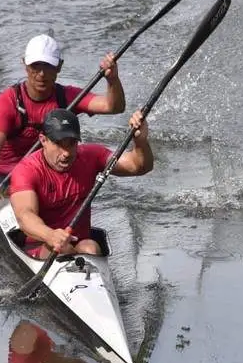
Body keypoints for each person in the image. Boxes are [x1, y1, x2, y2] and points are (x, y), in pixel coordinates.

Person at [0, 34, 125, 206]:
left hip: (47, 175)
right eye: (35, 66)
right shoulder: (9, 101)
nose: (41, 74)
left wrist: (112, 79)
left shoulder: (68, 97)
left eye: (48, 66)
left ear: (59, 67)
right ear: (25, 64)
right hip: (6, 177)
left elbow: (113, 106)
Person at [8, 107, 153, 259]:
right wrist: (50, 235)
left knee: (91, 247)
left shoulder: (91, 156)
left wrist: (140, 141)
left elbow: (139, 167)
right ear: (43, 140)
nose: (66, 153)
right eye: (59, 144)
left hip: (80, 243)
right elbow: (25, 216)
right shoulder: (26, 170)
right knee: (62, 249)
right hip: (41, 247)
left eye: (71, 144)